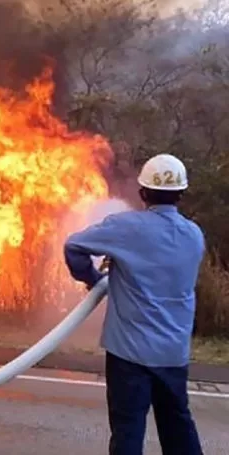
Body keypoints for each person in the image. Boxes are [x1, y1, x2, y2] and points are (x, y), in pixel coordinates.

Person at [64, 154, 205, 455]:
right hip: (172, 354)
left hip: (129, 354)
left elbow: (73, 246)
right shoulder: (195, 236)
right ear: (181, 193)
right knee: (178, 427)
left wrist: (91, 277)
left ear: (143, 192)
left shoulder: (125, 228)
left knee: (128, 431)